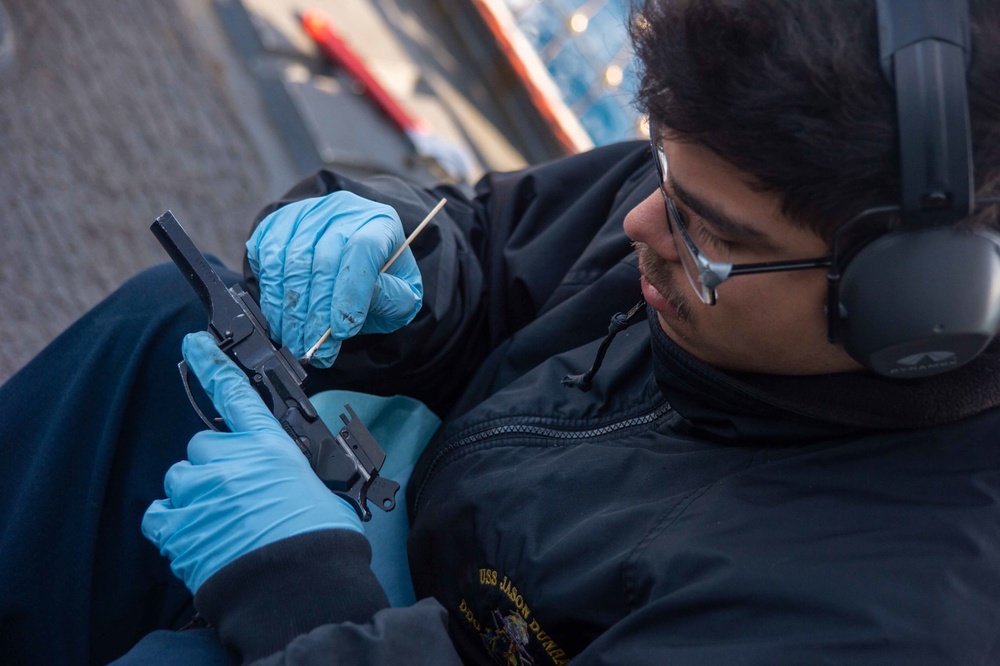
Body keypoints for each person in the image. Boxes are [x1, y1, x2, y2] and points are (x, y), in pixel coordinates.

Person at [2, 0, 1000, 663]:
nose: (638, 227)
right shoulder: (727, 197)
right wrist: (409, 263)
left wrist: (301, 591)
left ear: (905, 309)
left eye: (706, 232)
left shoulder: (884, 623)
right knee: (174, 328)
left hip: (353, 612)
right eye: (659, 173)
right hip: (394, 562)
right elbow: (495, 242)